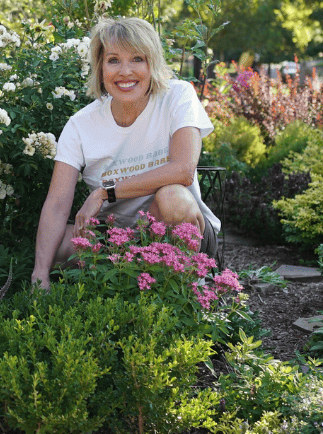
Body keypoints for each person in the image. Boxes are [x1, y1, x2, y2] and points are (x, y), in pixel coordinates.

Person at [31, 17, 221, 290]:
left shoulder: (177, 96)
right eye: (113, 60)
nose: (125, 71)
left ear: (152, 62)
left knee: (172, 197)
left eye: (137, 59)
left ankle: (189, 290)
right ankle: (118, 285)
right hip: (116, 237)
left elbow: (183, 169)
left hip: (177, 226)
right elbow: (57, 204)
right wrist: (40, 272)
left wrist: (105, 191)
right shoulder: (81, 125)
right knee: (59, 248)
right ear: (100, 66)